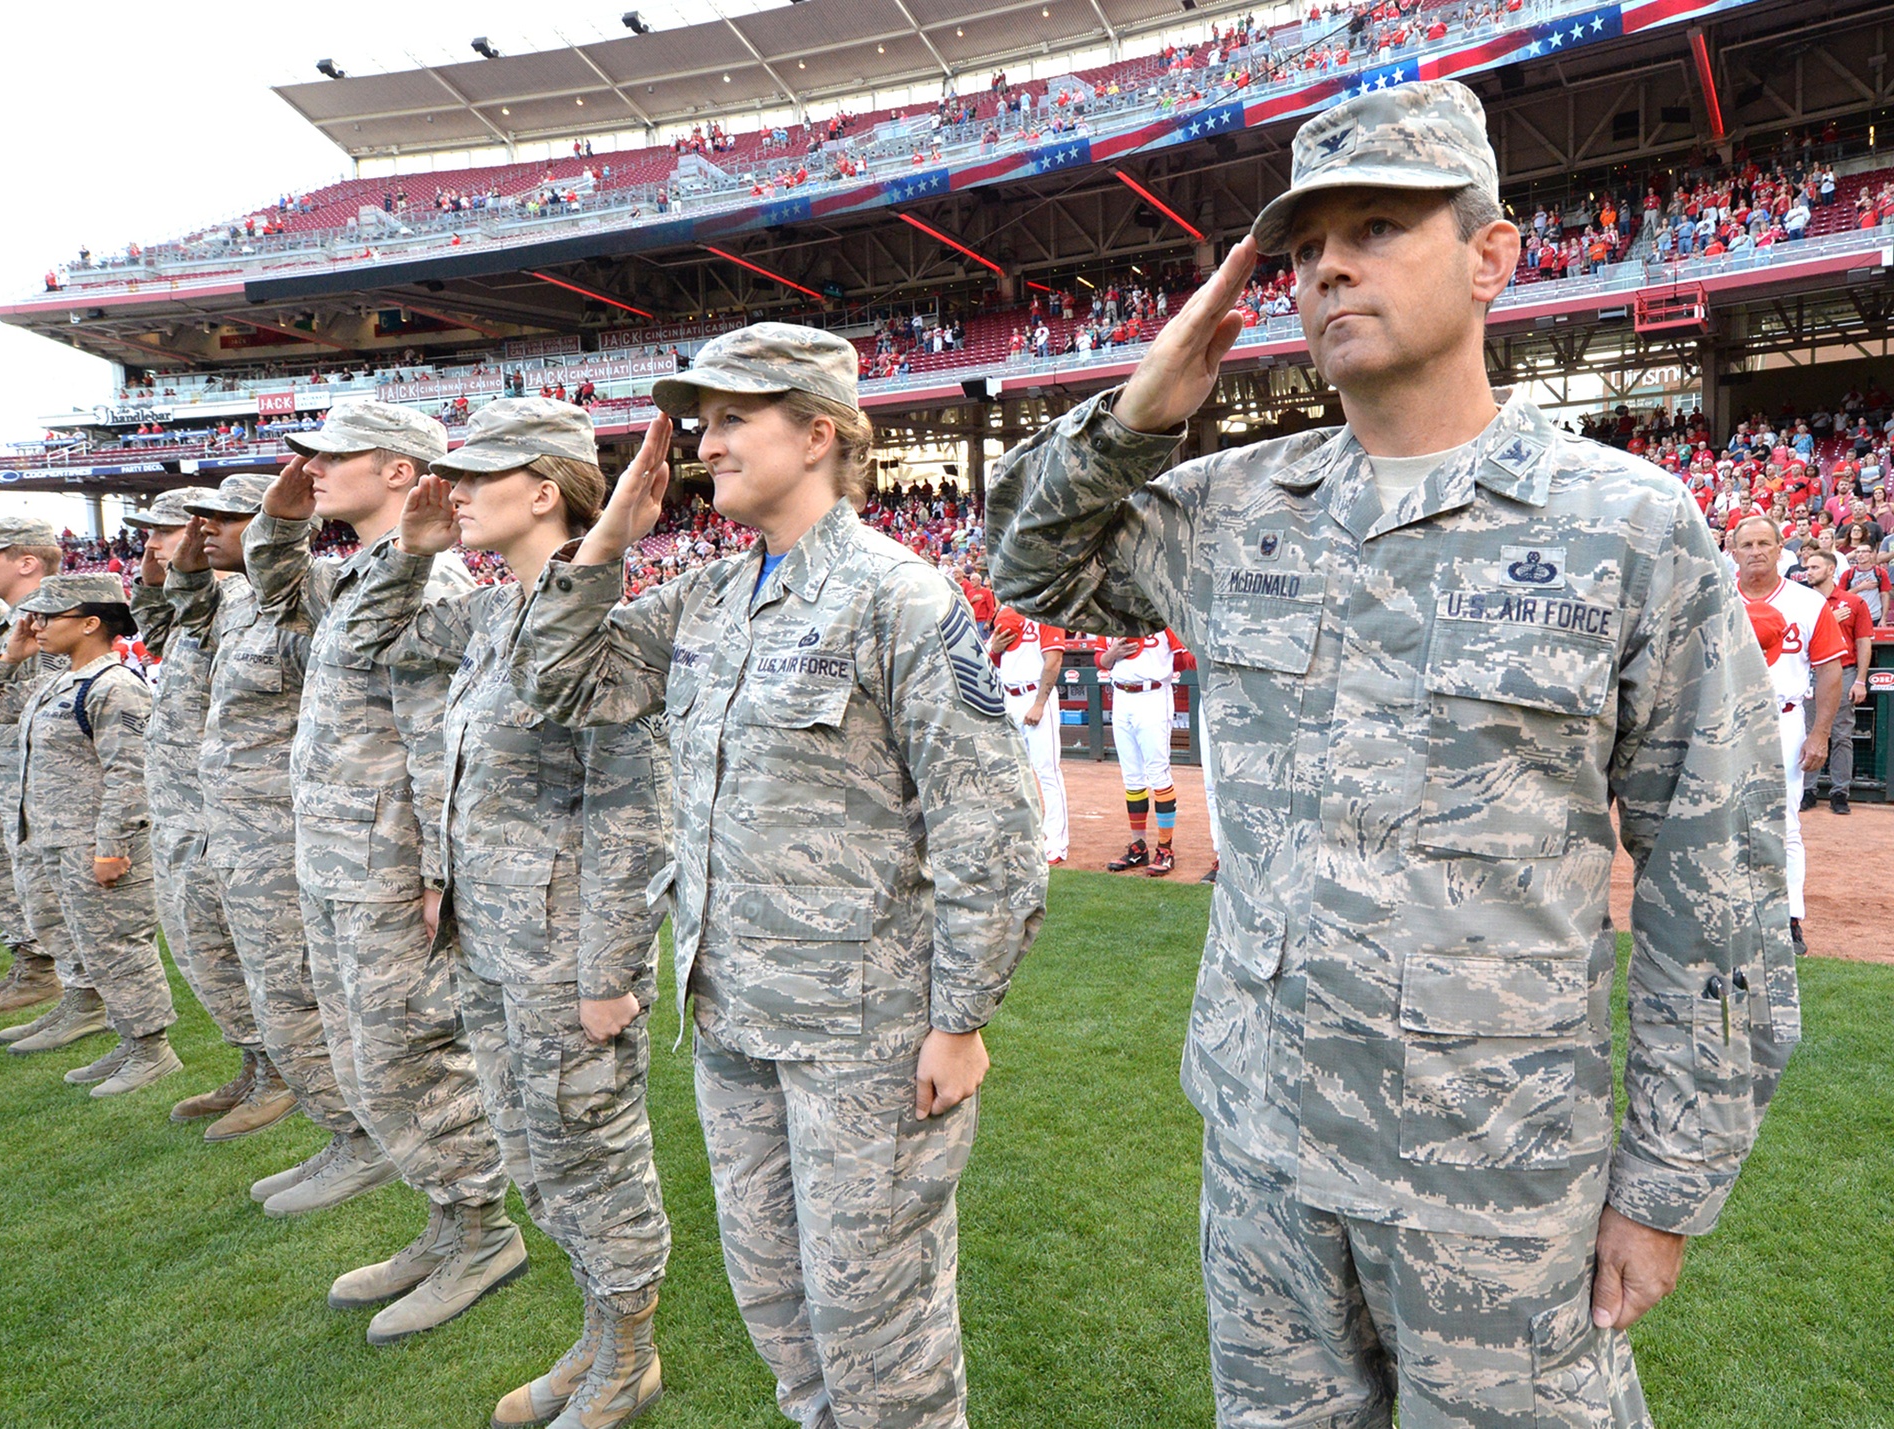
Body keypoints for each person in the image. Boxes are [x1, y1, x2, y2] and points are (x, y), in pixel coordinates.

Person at [988, 80, 1798, 1427]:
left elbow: (1714, 882)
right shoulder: (1234, 509)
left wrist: (1663, 1188)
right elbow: (1028, 558)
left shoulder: (1625, 525)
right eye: (1302, 250)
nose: (1327, 269)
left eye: (1376, 226)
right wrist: (1140, 410)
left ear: (1493, 258)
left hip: (1493, 1178)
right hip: (1264, 1159)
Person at [510, 323, 1047, 1429]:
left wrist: (960, 1016)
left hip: (865, 1035)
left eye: (729, 418)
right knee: (773, 1296)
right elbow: (554, 680)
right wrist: (608, 533)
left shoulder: (897, 596)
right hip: (733, 1020)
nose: (704, 443)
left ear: (817, 434)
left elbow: (988, 824)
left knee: (875, 1317)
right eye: (698, 421)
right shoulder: (704, 597)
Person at [342, 399, 675, 1429]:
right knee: (537, 1156)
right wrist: (413, 547)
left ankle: (628, 1356)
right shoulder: (487, 615)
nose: (458, 493)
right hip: (490, 944)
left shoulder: (610, 632)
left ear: (544, 492)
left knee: (595, 1152)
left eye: (481, 477)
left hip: (568, 957)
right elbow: (369, 644)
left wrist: (608, 971)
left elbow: (634, 809)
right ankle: (593, 1334)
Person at [245, 402, 520, 1344]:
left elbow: (437, 737)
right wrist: (282, 518)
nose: (314, 468)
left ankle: (483, 1228)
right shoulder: (367, 573)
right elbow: (276, 592)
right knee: (367, 1054)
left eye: (335, 455)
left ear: (403, 471)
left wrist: (438, 868)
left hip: (387, 864)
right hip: (334, 854)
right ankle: (446, 1220)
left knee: (409, 1051)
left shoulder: (429, 584)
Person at [167, 475, 375, 1170]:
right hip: (234, 828)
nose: (208, 530)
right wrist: (182, 564)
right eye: (202, 520)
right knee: (265, 988)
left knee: (301, 998)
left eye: (227, 519)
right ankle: (323, 1116)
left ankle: (360, 1136)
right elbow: (176, 610)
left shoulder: (314, 592)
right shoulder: (235, 606)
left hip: (286, 833)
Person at [0, 573, 181, 1096]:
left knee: (119, 947)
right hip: (52, 841)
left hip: (95, 845)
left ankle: (152, 1050)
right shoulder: (53, 681)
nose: (33, 625)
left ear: (89, 623)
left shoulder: (115, 686)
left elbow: (130, 774)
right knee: (83, 943)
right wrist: (9, 657)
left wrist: (112, 848)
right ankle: (126, 1039)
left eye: (46, 616)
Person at [126, 490, 288, 1134]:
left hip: (240, 812)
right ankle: (254, 1061)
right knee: (203, 949)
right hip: (186, 806)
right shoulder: (205, 600)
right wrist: (157, 570)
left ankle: (282, 1071)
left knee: (255, 953)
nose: (168, 543)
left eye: (176, 531)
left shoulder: (258, 600)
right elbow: (159, 630)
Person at [0, 519, 100, 1051]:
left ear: (27, 561)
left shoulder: (60, 622)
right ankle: (69, 995)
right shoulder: (14, 620)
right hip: (16, 785)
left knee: (66, 906)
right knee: (40, 904)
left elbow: (56, 720)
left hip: (57, 797)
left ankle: (89, 1001)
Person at [1731, 517, 1845, 958]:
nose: (1756, 550)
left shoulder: (1807, 602)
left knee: (1785, 823)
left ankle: (1790, 917)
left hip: (1784, 718)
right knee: (1719, 821)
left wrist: (1819, 733)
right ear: (1733, 550)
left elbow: (1831, 669)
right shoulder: (1718, 599)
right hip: (1724, 720)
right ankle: (1728, 917)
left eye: (1764, 542)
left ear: (1782, 549)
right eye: (1747, 544)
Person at [1096, 628, 1182, 874]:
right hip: (1121, 696)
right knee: (1132, 776)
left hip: (1153, 694)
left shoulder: (1162, 613)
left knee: (1158, 774)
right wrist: (1112, 654)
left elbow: (1184, 657)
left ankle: (1165, 848)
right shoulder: (1111, 616)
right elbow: (1100, 660)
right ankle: (1139, 847)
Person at [989, 607, 1069, 865]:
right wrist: (994, 649)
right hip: (1008, 697)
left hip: (1035, 696)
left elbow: (1054, 661)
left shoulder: (1046, 614)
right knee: (1011, 773)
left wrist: (1039, 703)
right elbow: (986, 662)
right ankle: (1020, 837)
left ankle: (1056, 842)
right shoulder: (1004, 614)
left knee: (1047, 772)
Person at [1797, 549, 1873, 818]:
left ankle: (1840, 792)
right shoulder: (1801, 602)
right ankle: (1807, 790)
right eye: (1808, 568)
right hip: (1810, 673)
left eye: (1815, 567)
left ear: (1831, 570)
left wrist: (1861, 680)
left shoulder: (1853, 602)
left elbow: (1864, 642)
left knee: (1841, 734)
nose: (1809, 572)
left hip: (1844, 671)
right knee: (1808, 732)